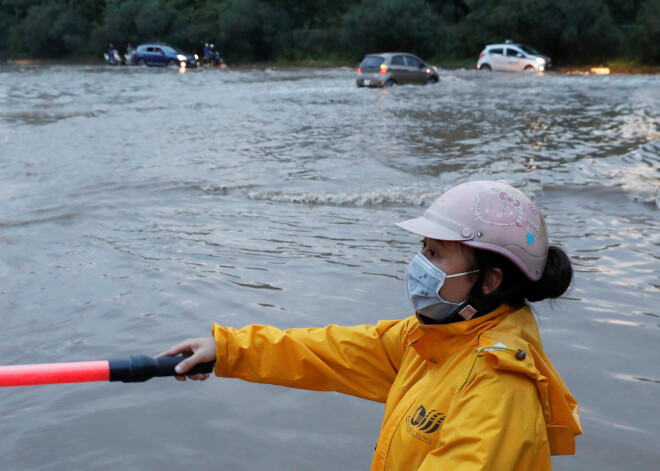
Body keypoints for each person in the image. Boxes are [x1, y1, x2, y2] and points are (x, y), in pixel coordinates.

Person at [159, 180, 582, 470]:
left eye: (436, 255)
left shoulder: (499, 388)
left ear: (489, 281)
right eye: (424, 249)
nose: (420, 265)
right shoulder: (431, 341)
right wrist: (228, 350)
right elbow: (330, 351)